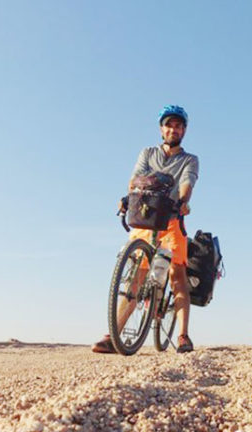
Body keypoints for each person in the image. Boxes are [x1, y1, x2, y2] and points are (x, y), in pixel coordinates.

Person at [93, 105, 199, 354]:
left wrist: (183, 202)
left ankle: (183, 335)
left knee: (177, 275)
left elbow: (187, 183)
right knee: (135, 278)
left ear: (184, 130)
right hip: (145, 218)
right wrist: (128, 197)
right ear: (162, 129)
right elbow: (135, 179)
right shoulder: (148, 153)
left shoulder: (189, 159)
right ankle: (114, 333)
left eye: (178, 126)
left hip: (172, 220)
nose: (173, 129)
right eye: (169, 125)